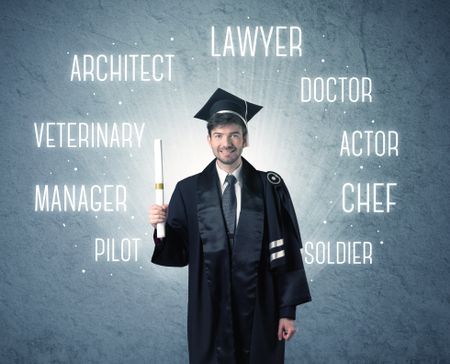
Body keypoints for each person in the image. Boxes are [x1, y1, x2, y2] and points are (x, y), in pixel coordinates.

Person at [149, 88, 311, 364]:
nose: (227, 143)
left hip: (262, 305)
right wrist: (160, 228)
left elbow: (288, 253)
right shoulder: (187, 190)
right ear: (209, 140)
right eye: (219, 136)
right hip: (210, 308)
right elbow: (179, 254)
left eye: (234, 135)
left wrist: (287, 311)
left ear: (245, 139)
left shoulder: (270, 187)